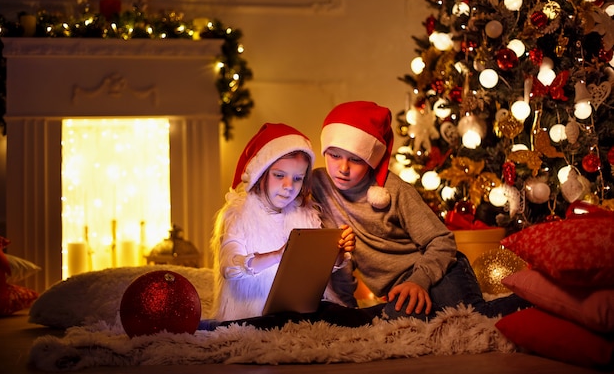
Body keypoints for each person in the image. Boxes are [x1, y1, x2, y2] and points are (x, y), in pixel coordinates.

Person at [311, 100, 531, 321]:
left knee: (472, 318)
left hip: (439, 271)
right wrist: (345, 310)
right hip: (399, 291)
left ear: (371, 160)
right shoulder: (317, 185)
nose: (343, 168)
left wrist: (418, 281)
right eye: (334, 155)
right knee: (388, 319)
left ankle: (541, 298)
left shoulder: (393, 190)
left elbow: (442, 241)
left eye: (356, 159)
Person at [210, 122, 355, 322]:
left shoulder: (305, 215)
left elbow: (315, 271)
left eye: (297, 178)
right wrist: (278, 255)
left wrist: (336, 255)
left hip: (297, 309)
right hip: (251, 313)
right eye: (279, 176)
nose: (289, 186)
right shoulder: (239, 214)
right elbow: (229, 268)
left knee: (343, 316)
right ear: (261, 174)